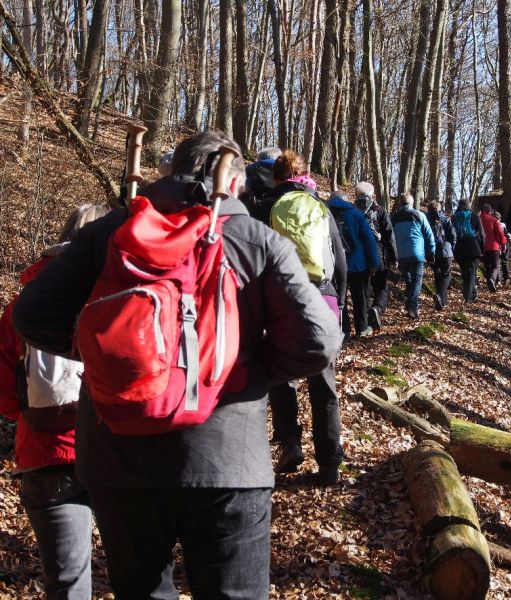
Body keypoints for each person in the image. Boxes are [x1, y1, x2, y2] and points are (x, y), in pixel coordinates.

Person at [13, 131, 343, 598]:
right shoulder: (257, 240)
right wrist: (241, 370)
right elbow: (318, 341)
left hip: (117, 454)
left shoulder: (109, 232)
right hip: (228, 457)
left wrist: (112, 357)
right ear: (232, 182)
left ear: (170, 174)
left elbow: (32, 316)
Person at [0, 205, 107, 600]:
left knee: (67, 582)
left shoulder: (26, 303)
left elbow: (2, 382)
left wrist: (31, 416)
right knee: (143, 577)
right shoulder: (121, 294)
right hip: (118, 452)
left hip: (46, 453)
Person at [267, 150, 348, 486]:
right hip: (324, 298)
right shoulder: (321, 207)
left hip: (287, 300)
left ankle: (290, 444)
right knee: (324, 386)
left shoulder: (271, 207)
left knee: (280, 376)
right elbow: (340, 261)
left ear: (277, 179)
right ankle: (329, 465)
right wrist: (339, 305)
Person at [327, 190, 380, 337]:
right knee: (360, 297)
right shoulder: (356, 215)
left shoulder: (324, 214)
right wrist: (373, 263)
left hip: (334, 264)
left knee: (339, 297)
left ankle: (343, 330)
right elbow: (369, 241)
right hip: (357, 264)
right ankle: (361, 329)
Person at [356, 182, 397, 330]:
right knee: (382, 288)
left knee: (364, 289)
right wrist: (393, 258)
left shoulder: (352, 211)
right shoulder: (380, 211)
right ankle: (377, 309)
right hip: (377, 254)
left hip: (358, 258)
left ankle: (366, 322)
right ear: (372, 195)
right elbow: (389, 235)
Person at [390, 193, 436, 319]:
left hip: (401, 255)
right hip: (417, 254)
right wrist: (431, 251)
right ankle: (412, 307)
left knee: (409, 280)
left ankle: (409, 305)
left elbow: (389, 237)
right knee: (416, 280)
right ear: (411, 203)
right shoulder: (419, 215)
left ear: (400, 204)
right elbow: (429, 234)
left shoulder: (393, 218)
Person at [424, 200, 457, 310]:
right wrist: (451, 248)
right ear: (439, 208)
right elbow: (453, 235)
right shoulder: (446, 218)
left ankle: (442, 300)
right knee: (446, 275)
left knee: (437, 274)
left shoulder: (425, 219)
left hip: (432, 252)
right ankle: (440, 297)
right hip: (446, 250)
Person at [452, 200, 486, 302]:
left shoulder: (454, 217)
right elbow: (481, 232)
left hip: (459, 247)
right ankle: (468, 295)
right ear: (468, 205)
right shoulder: (473, 215)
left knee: (464, 271)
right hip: (472, 246)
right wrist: (483, 247)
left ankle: (469, 291)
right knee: (471, 271)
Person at [241, 146, 283, 223]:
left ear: (259, 159)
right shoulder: (286, 174)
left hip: (250, 220)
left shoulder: (247, 172)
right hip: (279, 220)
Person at [478, 204, 507, 292]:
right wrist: (503, 244)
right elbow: (500, 233)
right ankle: (492, 279)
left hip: (482, 247)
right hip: (494, 246)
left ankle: (490, 282)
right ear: (489, 211)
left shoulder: (477, 219)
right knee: (495, 265)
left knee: (487, 266)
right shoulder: (493, 220)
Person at [495, 210, 511, 285]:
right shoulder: (496, 225)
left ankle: (505, 278)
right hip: (498, 246)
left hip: (503, 246)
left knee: (503, 262)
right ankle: (499, 279)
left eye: (497, 218)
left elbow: (509, 236)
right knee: (499, 262)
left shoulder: (503, 226)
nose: (497, 220)